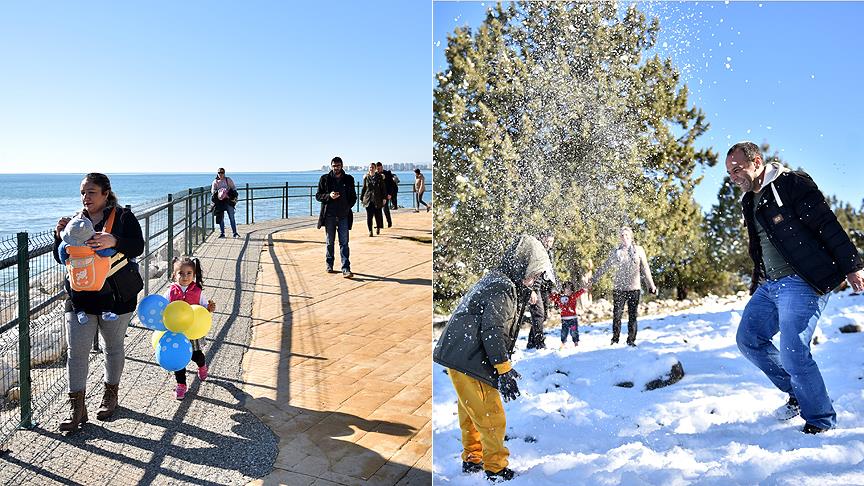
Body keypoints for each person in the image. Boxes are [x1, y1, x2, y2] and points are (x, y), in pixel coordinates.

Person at [725, 141, 864, 434]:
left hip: (802, 280)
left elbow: (827, 223)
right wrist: (758, 280)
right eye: (729, 172)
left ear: (757, 161)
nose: (734, 175)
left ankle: (820, 420)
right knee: (749, 338)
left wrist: (852, 265)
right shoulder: (748, 199)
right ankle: (800, 393)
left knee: (793, 350)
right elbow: (760, 246)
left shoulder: (791, 184)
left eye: (738, 168)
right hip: (771, 284)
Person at [433, 235, 552, 482]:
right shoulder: (504, 287)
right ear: (522, 266)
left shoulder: (498, 280)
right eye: (533, 273)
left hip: (461, 357)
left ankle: (473, 457)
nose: (534, 280)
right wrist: (504, 369)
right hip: (470, 360)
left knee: (469, 413)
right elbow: (493, 330)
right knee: (490, 415)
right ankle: (496, 467)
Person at [52, 173, 145, 432]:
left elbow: (138, 246)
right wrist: (59, 236)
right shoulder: (75, 220)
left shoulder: (124, 217)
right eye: (83, 192)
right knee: (76, 352)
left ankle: (110, 395)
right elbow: (62, 258)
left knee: (113, 347)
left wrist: (114, 241)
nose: (85, 197)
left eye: (91, 192)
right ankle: (77, 409)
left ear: (106, 193)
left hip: (117, 296)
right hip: (79, 296)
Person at [590, 226, 657, 346]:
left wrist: (651, 285)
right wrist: (593, 279)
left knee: (632, 316)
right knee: (617, 316)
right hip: (619, 289)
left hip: (634, 289)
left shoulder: (639, 250)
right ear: (619, 238)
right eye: (622, 236)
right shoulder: (617, 252)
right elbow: (605, 266)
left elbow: (645, 268)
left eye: (627, 235)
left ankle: (631, 340)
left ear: (631, 237)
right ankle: (615, 339)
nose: (624, 238)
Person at [165, 256, 216, 400]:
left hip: (193, 332)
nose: (185, 276)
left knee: (196, 355)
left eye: (188, 273)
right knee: (178, 359)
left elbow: (204, 308)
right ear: (174, 275)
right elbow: (164, 307)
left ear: (194, 275)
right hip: (176, 331)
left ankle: (202, 365)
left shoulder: (197, 291)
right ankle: (181, 385)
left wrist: (209, 308)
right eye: (181, 273)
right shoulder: (170, 291)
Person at [58, 215, 119, 324]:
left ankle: (80, 312)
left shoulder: (66, 245)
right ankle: (106, 312)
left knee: (75, 294)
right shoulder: (93, 245)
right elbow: (106, 253)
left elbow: (62, 257)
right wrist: (115, 248)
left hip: (77, 280)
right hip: (96, 281)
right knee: (107, 291)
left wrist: (66, 262)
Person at [316, 156, 357, 278]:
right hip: (329, 216)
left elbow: (353, 197)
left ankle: (346, 268)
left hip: (344, 215)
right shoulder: (325, 179)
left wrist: (347, 207)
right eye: (334, 166)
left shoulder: (349, 179)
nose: (336, 168)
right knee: (330, 242)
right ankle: (329, 265)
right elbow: (318, 196)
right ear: (331, 166)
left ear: (342, 166)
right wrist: (329, 196)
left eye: (338, 165)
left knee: (344, 243)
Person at [526, 231, 556, 350]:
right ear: (541, 239)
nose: (549, 243)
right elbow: (530, 272)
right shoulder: (535, 252)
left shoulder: (550, 252)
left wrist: (554, 288)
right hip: (534, 287)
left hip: (545, 288)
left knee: (543, 316)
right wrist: (531, 290)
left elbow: (551, 272)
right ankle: (539, 343)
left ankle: (531, 342)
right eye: (547, 241)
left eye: (551, 241)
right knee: (538, 314)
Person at [549, 282, 586, 348]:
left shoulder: (573, 296)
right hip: (564, 320)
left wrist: (584, 289)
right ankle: (563, 343)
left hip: (573, 319)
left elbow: (579, 293)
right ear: (563, 289)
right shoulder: (559, 297)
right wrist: (552, 292)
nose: (569, 291)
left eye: (570, 289)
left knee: (573, 331)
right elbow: (551, 297)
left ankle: (576, 342)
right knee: (564, 332)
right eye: (567, 289)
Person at [211, 168, 239, 238]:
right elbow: (213, 191)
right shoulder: (215, 182)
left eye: (222, 172)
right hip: (220, 202)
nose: (220, 174)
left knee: (231, 217)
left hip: (228, 201)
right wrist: (219, 192)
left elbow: (234, 188)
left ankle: (235, 233)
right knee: (221, 218)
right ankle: (222, 233)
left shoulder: (228, 180)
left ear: (224, 173)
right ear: (217, 173)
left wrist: (229, 193)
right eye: (219, 173)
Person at [360, 163, 385, 237]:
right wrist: (361, 198)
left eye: (373, 167)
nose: (371, 169)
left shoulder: (380, 177)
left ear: (375, 168)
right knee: (369, 216)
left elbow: (383, 188)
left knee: (377, 215)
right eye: (370, 167)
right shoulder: (366, 177)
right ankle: (370, 231)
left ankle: (378, 227)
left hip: (377, 199)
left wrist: (384, 198)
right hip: (368, 200)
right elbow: (364, 188)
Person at [375, 162, 392, 228]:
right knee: (378, 210)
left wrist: (390, 194)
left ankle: (389, 222)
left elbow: (391, 185)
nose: (379, 169)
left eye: (380, 168)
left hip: (386, 194)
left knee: (385, 209)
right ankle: (380, 224)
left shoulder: (387, 174)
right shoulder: (376, 174)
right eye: (378, 168)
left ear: (382, 167)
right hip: (378, 195)